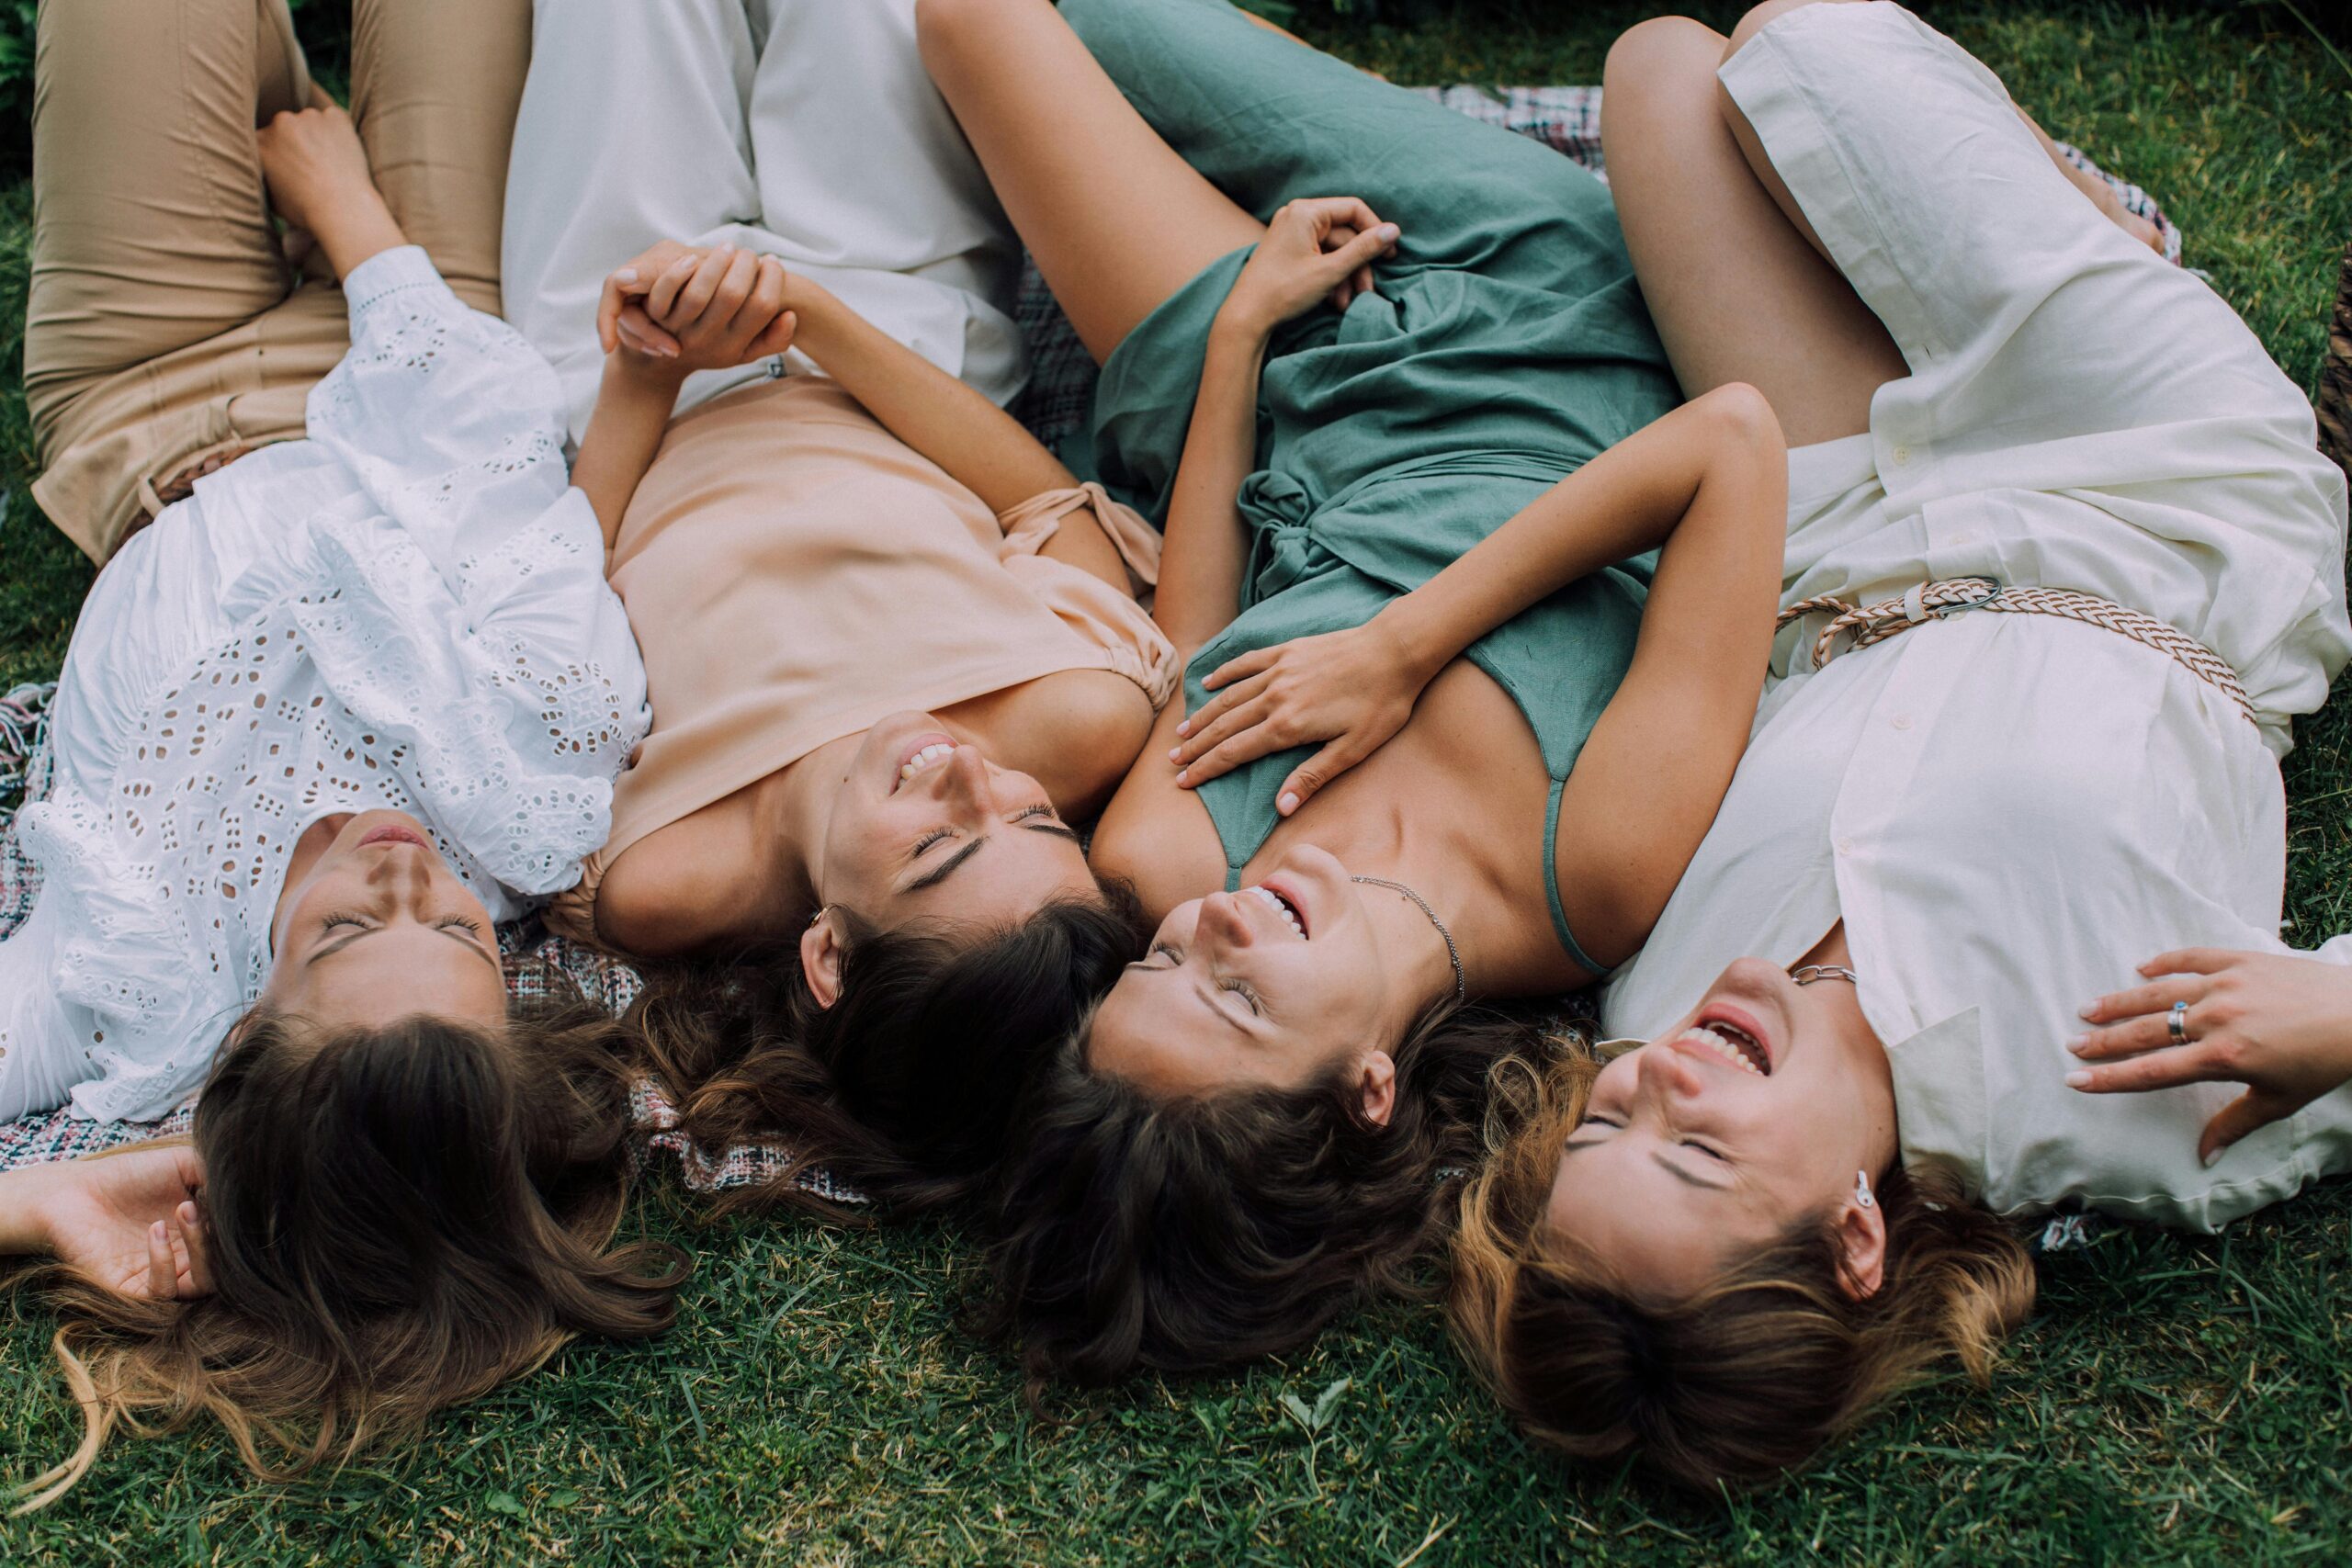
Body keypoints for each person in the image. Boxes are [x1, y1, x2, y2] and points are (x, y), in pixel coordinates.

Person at [1449, 0, 2352, 1495]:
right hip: (2172, 495)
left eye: (1600, 1136)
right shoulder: (2131, 1113)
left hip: (1846, 526)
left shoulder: (1640, 994)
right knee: (1815, 39)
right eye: (1694, 1154)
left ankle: (2035, 259)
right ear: (1856, 1237)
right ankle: (2103, 271)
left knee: (1665, 72)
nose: (1653, 1085)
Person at [914, 0, 1790, 1382]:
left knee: (976, 22)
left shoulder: (1164, 858)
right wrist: (1403, 645)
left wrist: (1240, 340)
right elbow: (1730, 448)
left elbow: (1191, 630)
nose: (1217, 930)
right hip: (1546, 304)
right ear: (1370, 1091)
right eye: (1241, 1001)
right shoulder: (1594, 874)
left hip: (1282, 376)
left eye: (1162, 964)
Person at [0, 0, 761, 1504]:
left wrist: (48, 1205)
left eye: (349, 927)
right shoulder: (529, 815)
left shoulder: (108, 978)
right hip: (436, 331)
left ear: (240, 1035)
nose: (406, 871)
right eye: (464, 939)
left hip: (160, 396)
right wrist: (351, 218)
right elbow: (524, 511)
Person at [498, 0, 1178, 1211]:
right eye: (1034, 826)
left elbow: (551, 617)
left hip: (619, 357)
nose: (968, 776)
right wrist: (813, 319)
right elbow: (1037, 499)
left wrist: (649, 372)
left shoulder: (658, 872)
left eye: (936, 849)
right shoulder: (1079, 719)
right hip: (892, 318)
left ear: (827, 953)